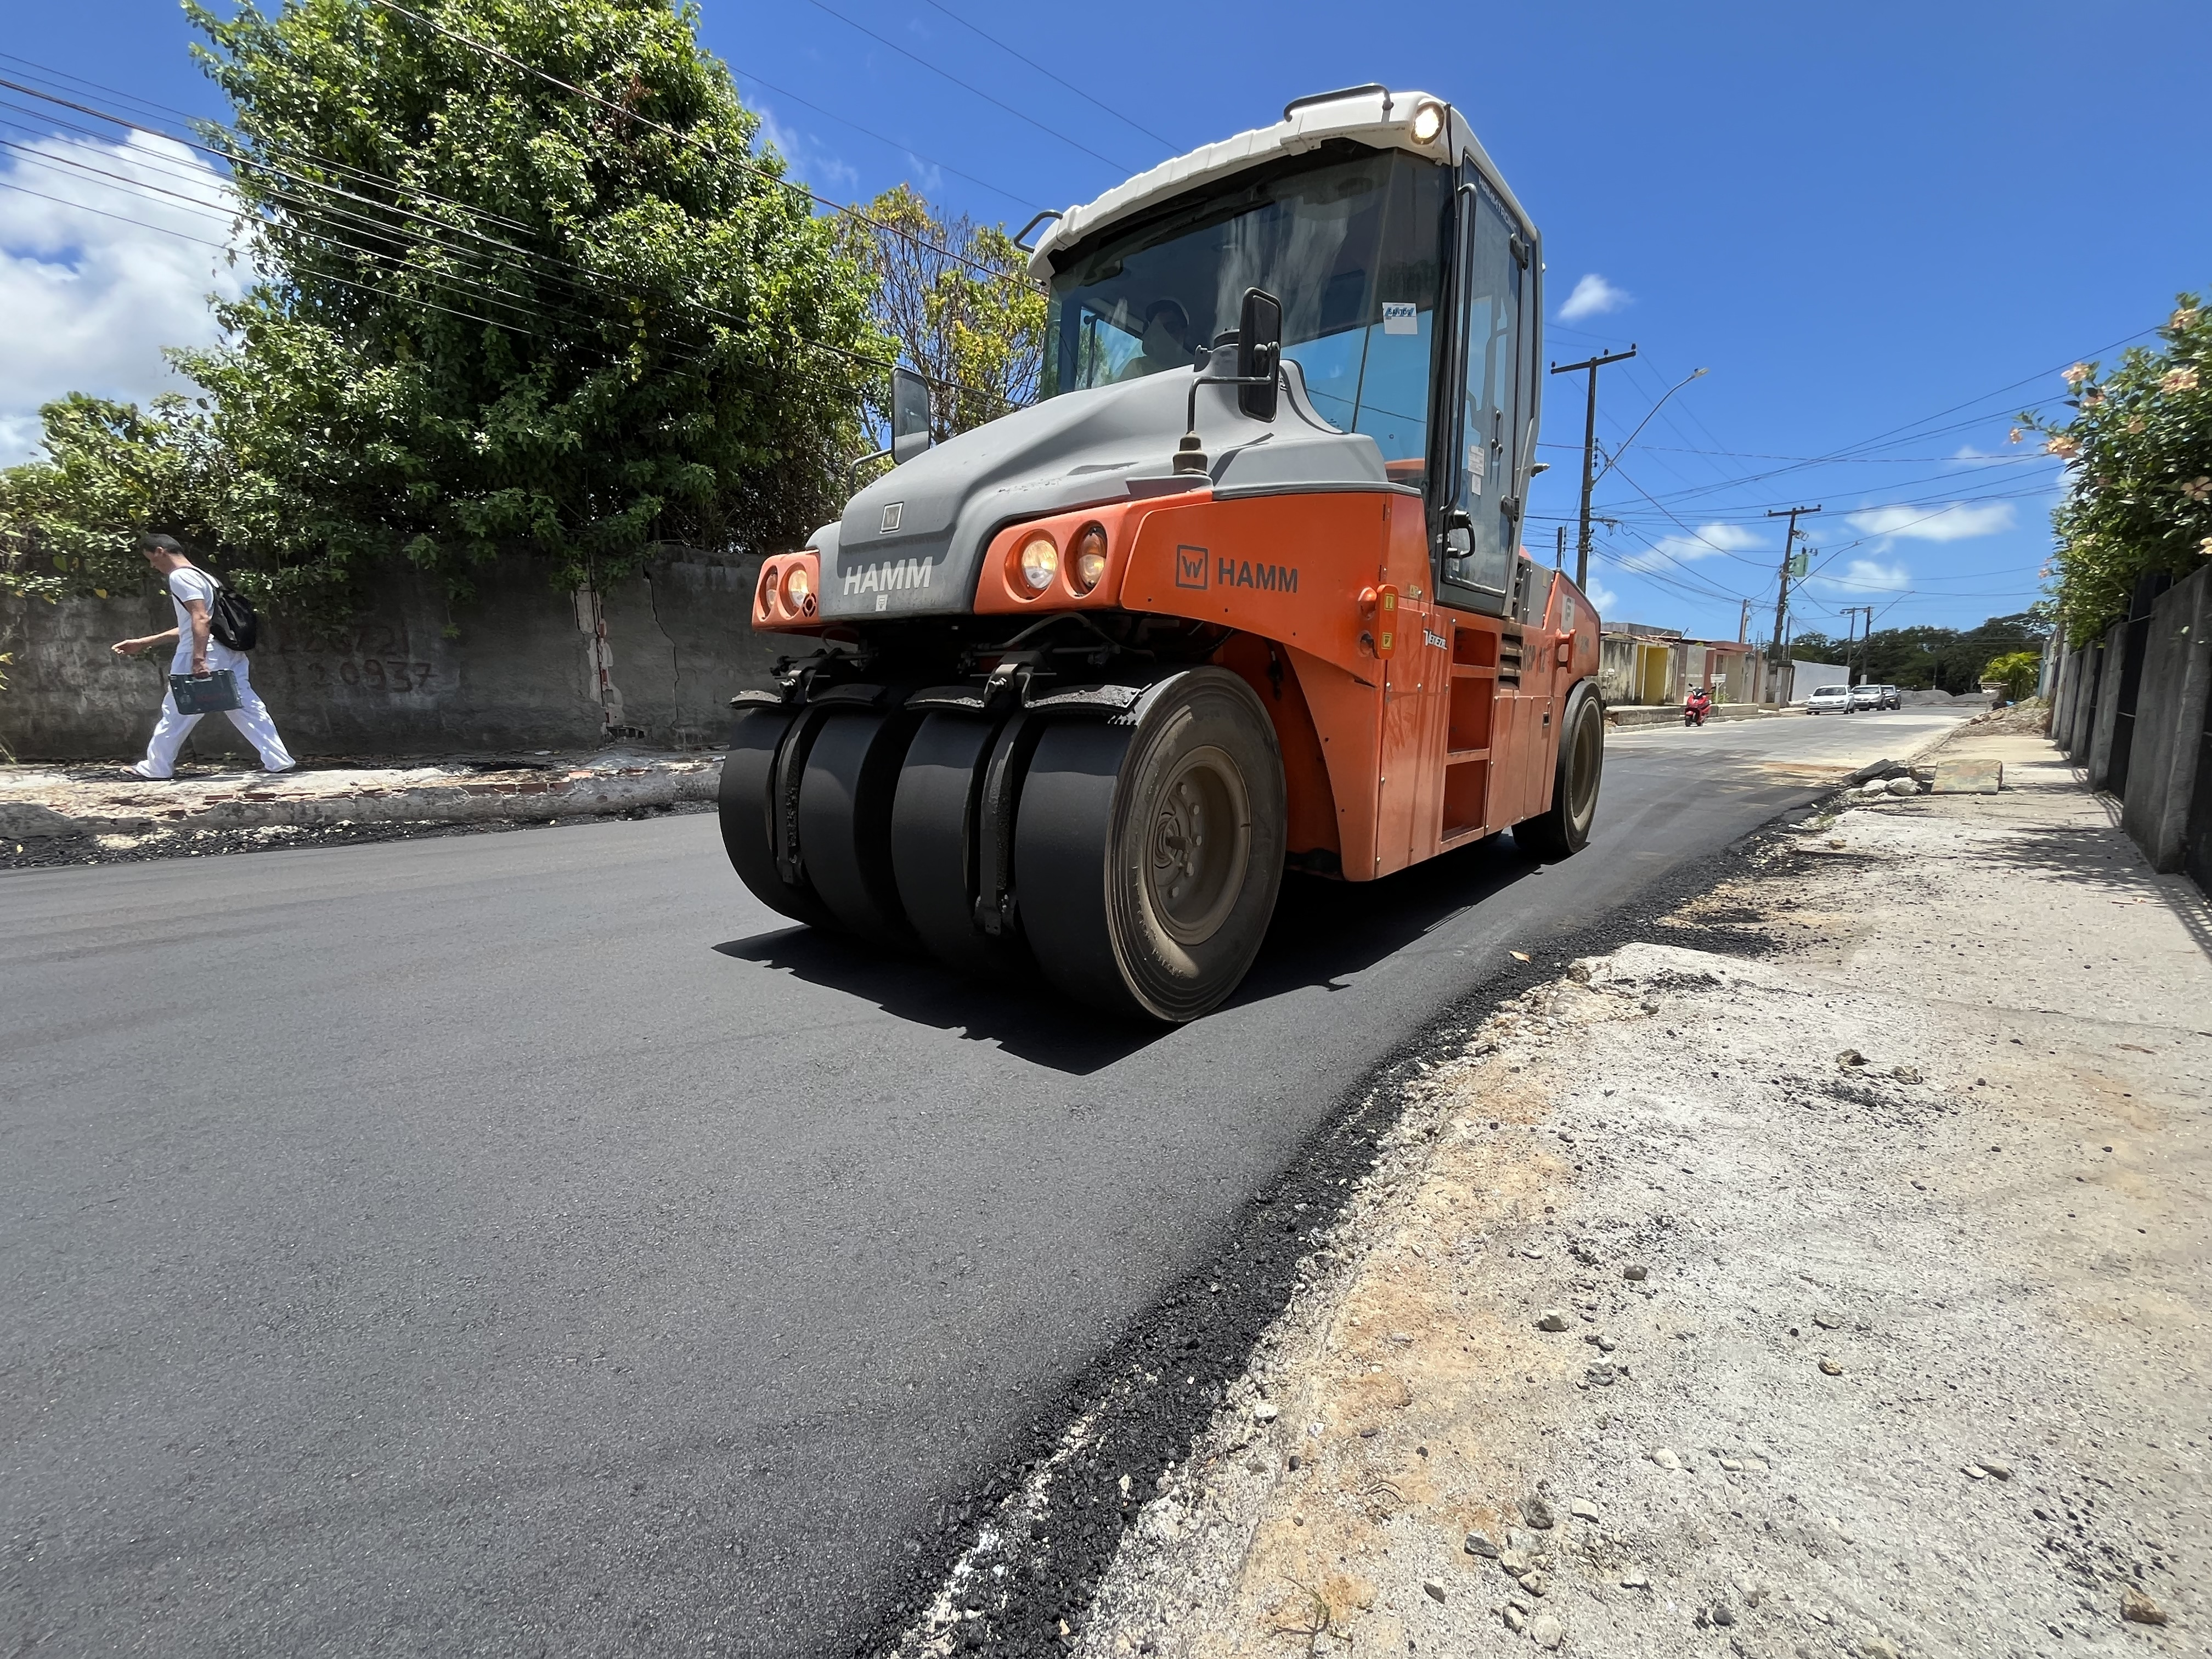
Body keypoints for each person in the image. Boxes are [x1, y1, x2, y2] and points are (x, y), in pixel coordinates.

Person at [110, 534, 295, 780]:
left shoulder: (180, 577)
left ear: (159, 552)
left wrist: (198, 659)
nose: (152, 566)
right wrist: (144, 642)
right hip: (228, 651)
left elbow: (201, 619)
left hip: (202, 652)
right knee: (247, 707)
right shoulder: (204, 576)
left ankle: (157, 768)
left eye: (151, 560)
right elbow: (195, 623)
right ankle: (278, 760)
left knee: (177, 710)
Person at [1116, 298, 1195, 380]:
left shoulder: (1198, 368)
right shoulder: (1138, 367)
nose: (1164, 335)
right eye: (1157, 330)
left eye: (1171, 327)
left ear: (1184, 333)